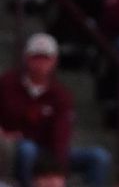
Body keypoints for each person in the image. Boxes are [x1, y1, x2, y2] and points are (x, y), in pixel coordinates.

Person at [0, 34, 111, 187]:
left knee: (99, 157)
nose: (40, 63)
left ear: (54, 61)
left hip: (51, 150)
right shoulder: (7, 83)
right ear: (26, 58)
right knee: (27, 149)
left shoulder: (61, 95)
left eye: (46, 58)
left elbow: (61, 135)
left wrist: (59, 171)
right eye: (36, 57)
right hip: (14, 148)